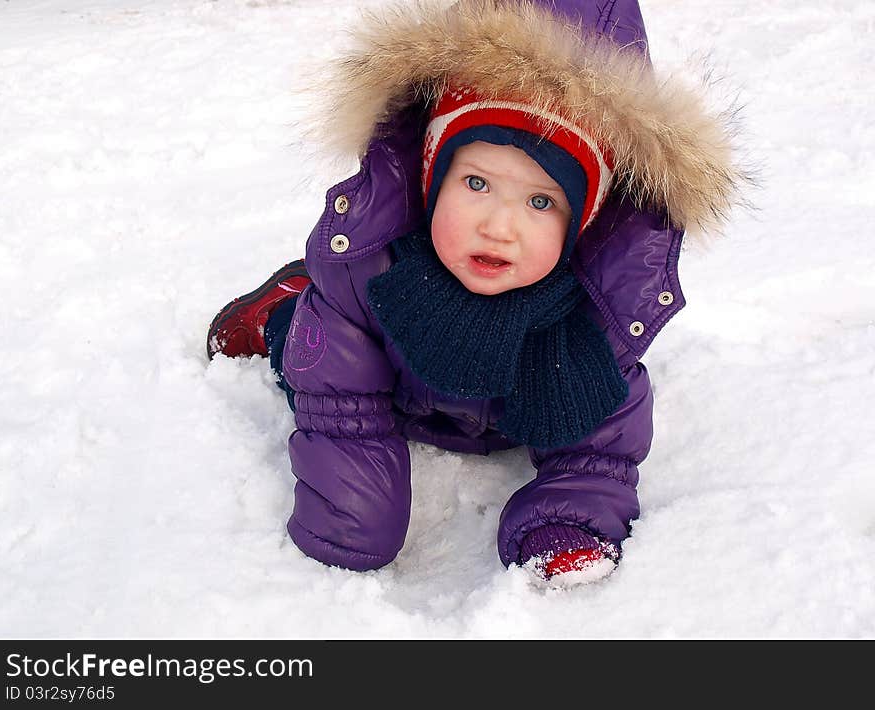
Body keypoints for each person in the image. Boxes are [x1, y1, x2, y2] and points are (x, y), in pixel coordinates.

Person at [207, 0, 742, 586]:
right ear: (432, 180)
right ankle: (282, 303)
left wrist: (564, 524)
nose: (498, 226)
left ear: (581, 223)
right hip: (381, 390)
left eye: (541, 202)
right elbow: (341, 407)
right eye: (476, 183)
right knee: (307, 340)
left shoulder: (593, 320)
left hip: (491, 413)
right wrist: (351, 522)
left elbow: (600, 452)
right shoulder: (368, 277)